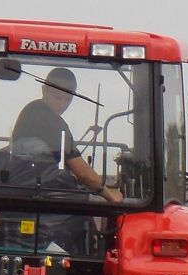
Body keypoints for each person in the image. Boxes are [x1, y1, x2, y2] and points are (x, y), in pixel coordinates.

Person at [10, 68, 123, 203]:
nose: (62, 105)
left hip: (26, 189)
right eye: (57, 98)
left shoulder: (31, 110)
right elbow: (83, 172)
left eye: (68, 99)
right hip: (41, 196)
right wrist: (110, 195)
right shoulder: (49, 119)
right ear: (44, 90)